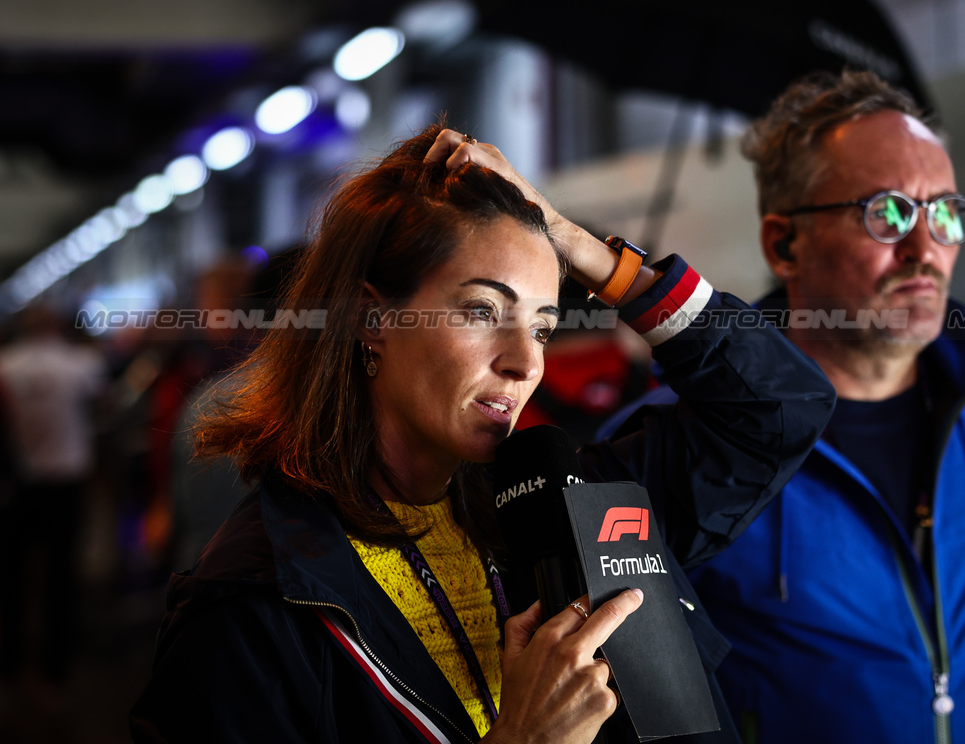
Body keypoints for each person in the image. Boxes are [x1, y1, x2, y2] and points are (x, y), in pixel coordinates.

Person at [128, 124, 834, 744]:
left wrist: (567, 237)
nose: (525, 362)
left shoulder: (576, 509)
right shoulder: (251, 604)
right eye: (480, 311)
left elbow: (780, 405)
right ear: (373, 320)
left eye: (542, 326)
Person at [600, 69, 965, 744]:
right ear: (784, 244)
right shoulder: (671, 450)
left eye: (945, 214)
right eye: (888, 213)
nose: (924, 250)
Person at [0, 304, 107, 701]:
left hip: (16, 484)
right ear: (58, 324)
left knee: (12, 579)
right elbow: (103, 404)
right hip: (66, 480)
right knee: (60, 578)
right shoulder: (81, 364)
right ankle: (55, 672)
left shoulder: (5, 365)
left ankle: (10, 667)